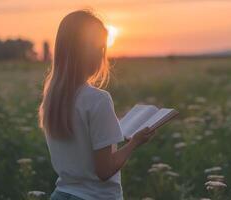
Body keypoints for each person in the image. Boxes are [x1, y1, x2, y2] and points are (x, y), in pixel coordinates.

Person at [38, 10, 155, 200]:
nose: (102, 55)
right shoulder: (97, 99)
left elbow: (79, 142)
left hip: (61, 194)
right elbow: (105, 170)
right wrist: (135, 142)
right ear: (88, 51)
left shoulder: (52, 98)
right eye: (101, 47)